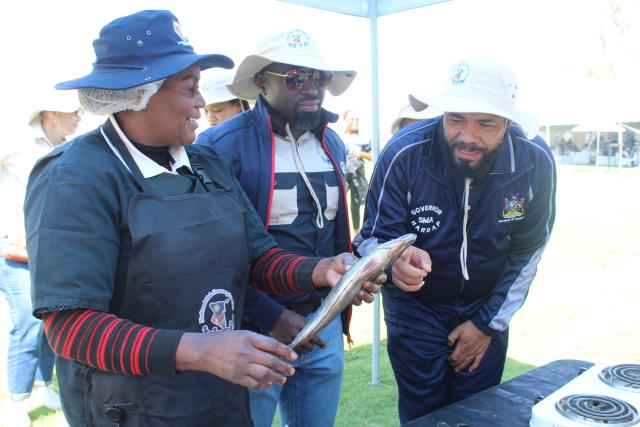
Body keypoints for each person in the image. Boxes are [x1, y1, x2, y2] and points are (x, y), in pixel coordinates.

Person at [23, 11, 379, 427]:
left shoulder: (206, 162)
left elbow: (259, 259)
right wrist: (200, 351)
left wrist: (321, 270)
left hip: (220, 398)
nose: (202, 104)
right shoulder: (76, 176)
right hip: (132, 408)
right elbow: (71, 328)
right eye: (190, 89)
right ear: (141, 92)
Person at [196, 28, 398, 427]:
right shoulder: (219, 146)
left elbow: (335, 232)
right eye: (294, 78)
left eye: (318, 78)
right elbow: (213, 255)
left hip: (322, 324)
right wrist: (270, 314)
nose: (311, 88)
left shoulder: (332, 143)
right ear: (260, 83)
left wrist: (352, 276)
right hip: (252, 332)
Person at [354, 58, 557, 423]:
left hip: (487, 305)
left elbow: (529, 249)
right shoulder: (404, 152)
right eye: (456, 118)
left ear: (508, 123)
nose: (467, 135)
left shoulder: (535, 160)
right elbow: (371, 237)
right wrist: (393, 261)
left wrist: (486, 325)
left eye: (485, 123)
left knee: (479, 413)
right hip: (414, 309)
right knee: (423, 414)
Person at [0, 90, 81, 426]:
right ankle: (16, 402)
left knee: (50, 317)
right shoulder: (15, 141)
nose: (79, 116)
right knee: (27, 324)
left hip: (48, 250)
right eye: (72, 111)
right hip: (14, 250)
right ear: (51, 114)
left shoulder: (69, 148)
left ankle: (42, 385)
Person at [341, 109, 371, 233]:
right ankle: (340, 232)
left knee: (356, 205)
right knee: (339, 203)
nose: (355, 122)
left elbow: (372, 155)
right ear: (345, 121)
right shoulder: (339, 137)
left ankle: (356, 232)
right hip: (343, 174)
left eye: (357, 119)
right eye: (352, 119)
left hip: (358, 174)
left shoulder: (363, 138)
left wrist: (360, 153)